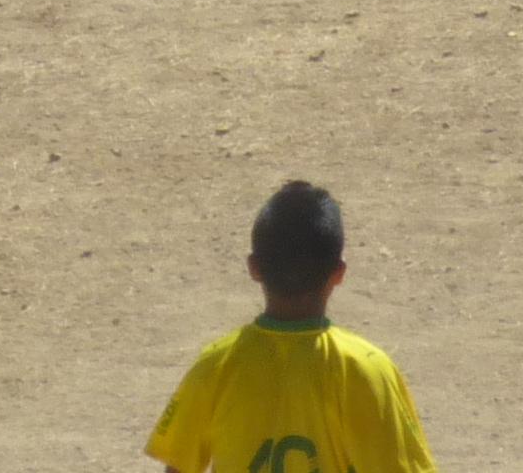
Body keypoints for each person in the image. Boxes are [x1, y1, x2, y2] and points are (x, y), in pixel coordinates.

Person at [145, 179, 437, 473]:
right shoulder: (370, 370)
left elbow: (178, 468)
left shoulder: (215, 365)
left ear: (254, 268)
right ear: (338, 273)